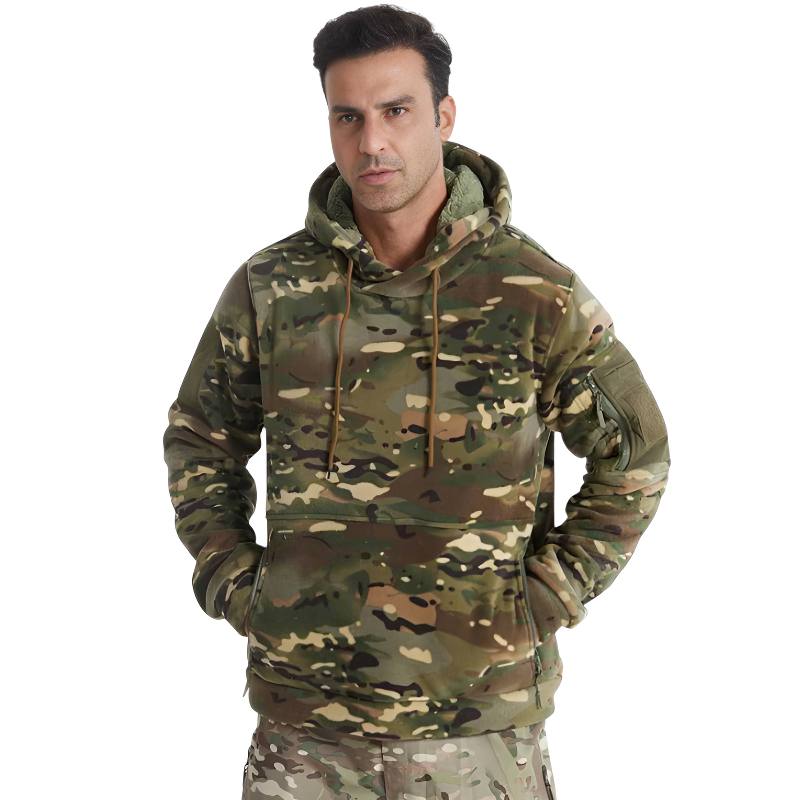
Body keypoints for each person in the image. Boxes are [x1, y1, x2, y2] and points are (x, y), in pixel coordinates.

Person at [163, 5, 670, 798]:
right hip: (306, 729)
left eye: (396, 111)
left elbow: (637, 452)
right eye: (348, 117)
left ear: (444, 116)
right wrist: (235, 584)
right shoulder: (271, 288)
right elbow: (200, 439)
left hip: (481, 730)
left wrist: (551, 593)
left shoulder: (534, 293)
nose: (372, 142)